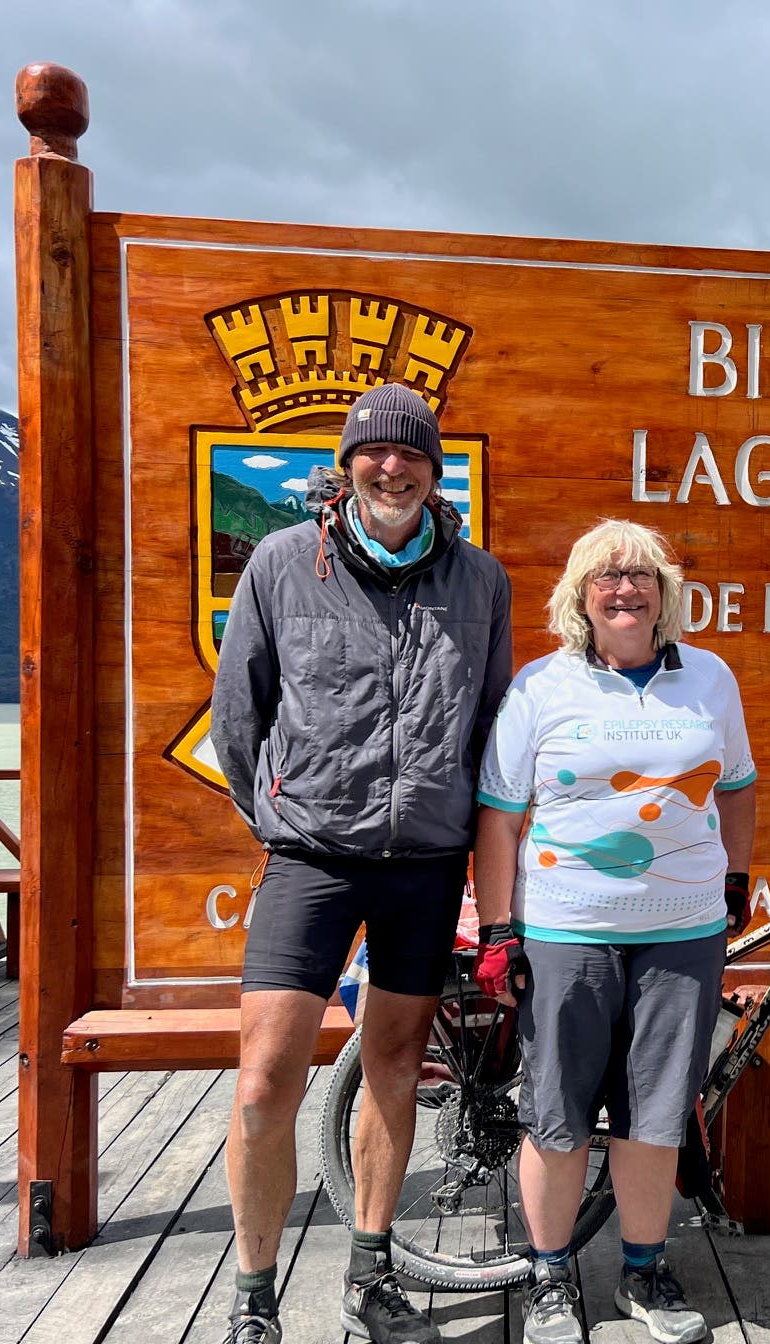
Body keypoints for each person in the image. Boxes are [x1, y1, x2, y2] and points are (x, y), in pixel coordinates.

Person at [211, 382, 513, 1344]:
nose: (393, 470)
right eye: (374, 455)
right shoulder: (279, 564)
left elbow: (497, 725)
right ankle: (254, 1299)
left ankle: (368, 1275)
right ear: (345, 466)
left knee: (393, 1066)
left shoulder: (481, 580)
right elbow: (237, 714)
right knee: (264, 1083)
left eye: (412, 457)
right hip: (311, 854)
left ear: (434, 471)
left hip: (427, 861)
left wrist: (473, 840)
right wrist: (276, 812)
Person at [472, 519, 757, 1344]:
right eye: (607, 576)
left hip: (683, 932)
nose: (625, 588)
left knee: (656, 1115)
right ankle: (551, 1278)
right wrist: (500, 928)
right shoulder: (540, 686)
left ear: (666, 591)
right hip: (568, 930)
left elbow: (736, 785)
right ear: (580, 596)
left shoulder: (709, 677)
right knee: (556, 1113)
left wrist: (736, 874)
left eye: (640, 574)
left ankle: (644, 1270)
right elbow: (499, 819)